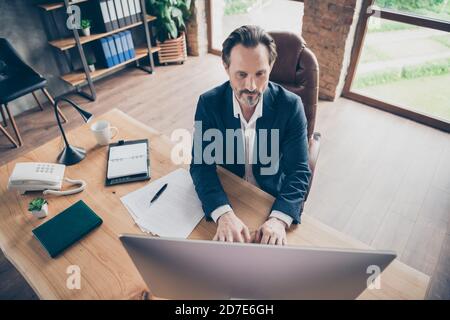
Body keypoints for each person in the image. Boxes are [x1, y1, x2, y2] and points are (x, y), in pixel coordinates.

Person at [190, 25, 311, 246]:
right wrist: (222, 213)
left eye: (260, 74)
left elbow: (299, 171)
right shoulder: (209, 103)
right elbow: (201, 166)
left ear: (271, 67)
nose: (251, 86)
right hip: (229, 195)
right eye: (242, 74)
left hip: (270, 200)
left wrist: (279, 219)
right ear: (226, 68)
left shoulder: (291, 106)